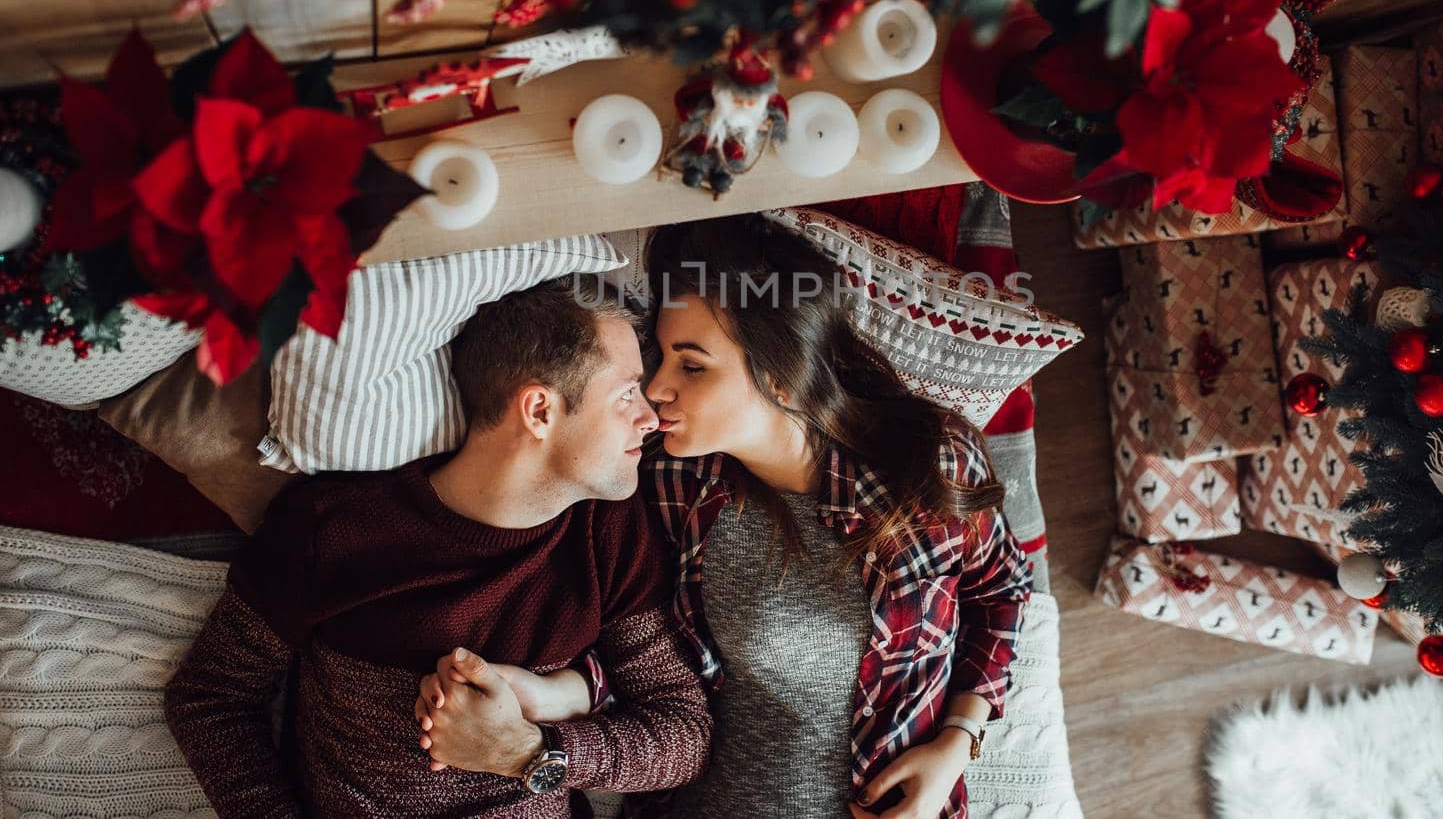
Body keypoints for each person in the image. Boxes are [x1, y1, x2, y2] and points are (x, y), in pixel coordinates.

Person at [420, 216, 1031, 818]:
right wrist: (549, 694)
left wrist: (958, 742)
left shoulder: (930, 466)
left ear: (782, 377)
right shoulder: (667, 483)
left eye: (691, 365)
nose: (655, 389)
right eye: (661, 357)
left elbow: (1001, 589)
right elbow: (651, 662)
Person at [164, 277, 712, 818]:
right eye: (626, 394)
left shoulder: (609, 533)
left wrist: (531, 752)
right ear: (539, 410)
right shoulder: (332, 531)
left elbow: (683, 731)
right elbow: (211, 699)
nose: (651, 417)